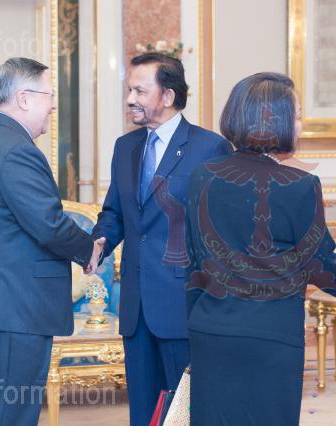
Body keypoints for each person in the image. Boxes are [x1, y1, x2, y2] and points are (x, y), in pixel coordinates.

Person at [184, 72, 336, 425]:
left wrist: (195, 324)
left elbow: (192, 261)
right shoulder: (300, 184)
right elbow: (318, 264)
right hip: (270, 338)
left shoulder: (202, 175)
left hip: (210, 331)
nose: (301, 125)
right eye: (297, 115)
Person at [0, 57, 102, 425]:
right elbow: (49, 224)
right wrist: (89, 250)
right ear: (24, 98)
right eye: (50, 96)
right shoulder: (16, 149)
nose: (53, 106)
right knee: (12, 417)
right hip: (12, 310)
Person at [90, 53, 232, 426]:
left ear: (167, 96)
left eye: (139, 91)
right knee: (143, 411)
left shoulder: (210, 148)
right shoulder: (125, 147)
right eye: (129, 90)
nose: (130, 99)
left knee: (186, 410)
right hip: (135, 307)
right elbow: (115, 213)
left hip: (183, 305)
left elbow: (221, 232)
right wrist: (97, 244)